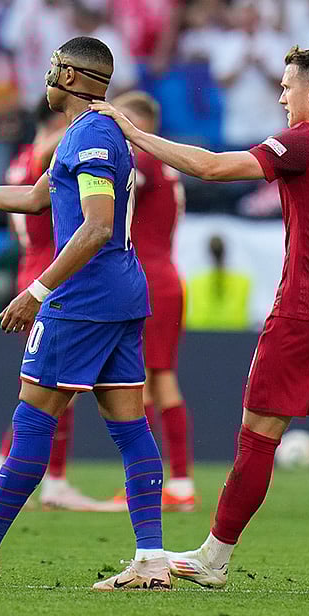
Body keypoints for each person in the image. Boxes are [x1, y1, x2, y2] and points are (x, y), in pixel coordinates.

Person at [92, 45, 309, 594]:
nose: (281, 96)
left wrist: (134, 135)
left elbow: (211, 167)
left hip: (307, 310)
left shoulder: (304, 142)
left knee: (258, 438)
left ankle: (214, 557)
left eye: (286, 86)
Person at [0, 36, 170, 591]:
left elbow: (96, 226)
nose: (46, 79)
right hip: (122, 293)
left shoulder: (94, 134)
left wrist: (38, 289)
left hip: (83, 299)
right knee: (129, 427)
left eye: (53, 69)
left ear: (73, 78)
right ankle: (151, 558)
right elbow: (34, 200)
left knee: (33, 418)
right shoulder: (86, 133)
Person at [0, 98, 113, 513]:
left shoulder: (21, 158)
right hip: (52, 272)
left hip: (29, 263)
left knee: (45, 385)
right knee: (58, 383)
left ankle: (1, 464)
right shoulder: (52, 150)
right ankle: (53, 480)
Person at [112, 91, 196, 511]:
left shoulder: (142, 160)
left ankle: (146, 483)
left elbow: (112, 197)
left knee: (139, 381)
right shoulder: (167, 164)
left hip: (146, 280)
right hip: (167, 278)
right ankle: (180, 481)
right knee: (163, 381)